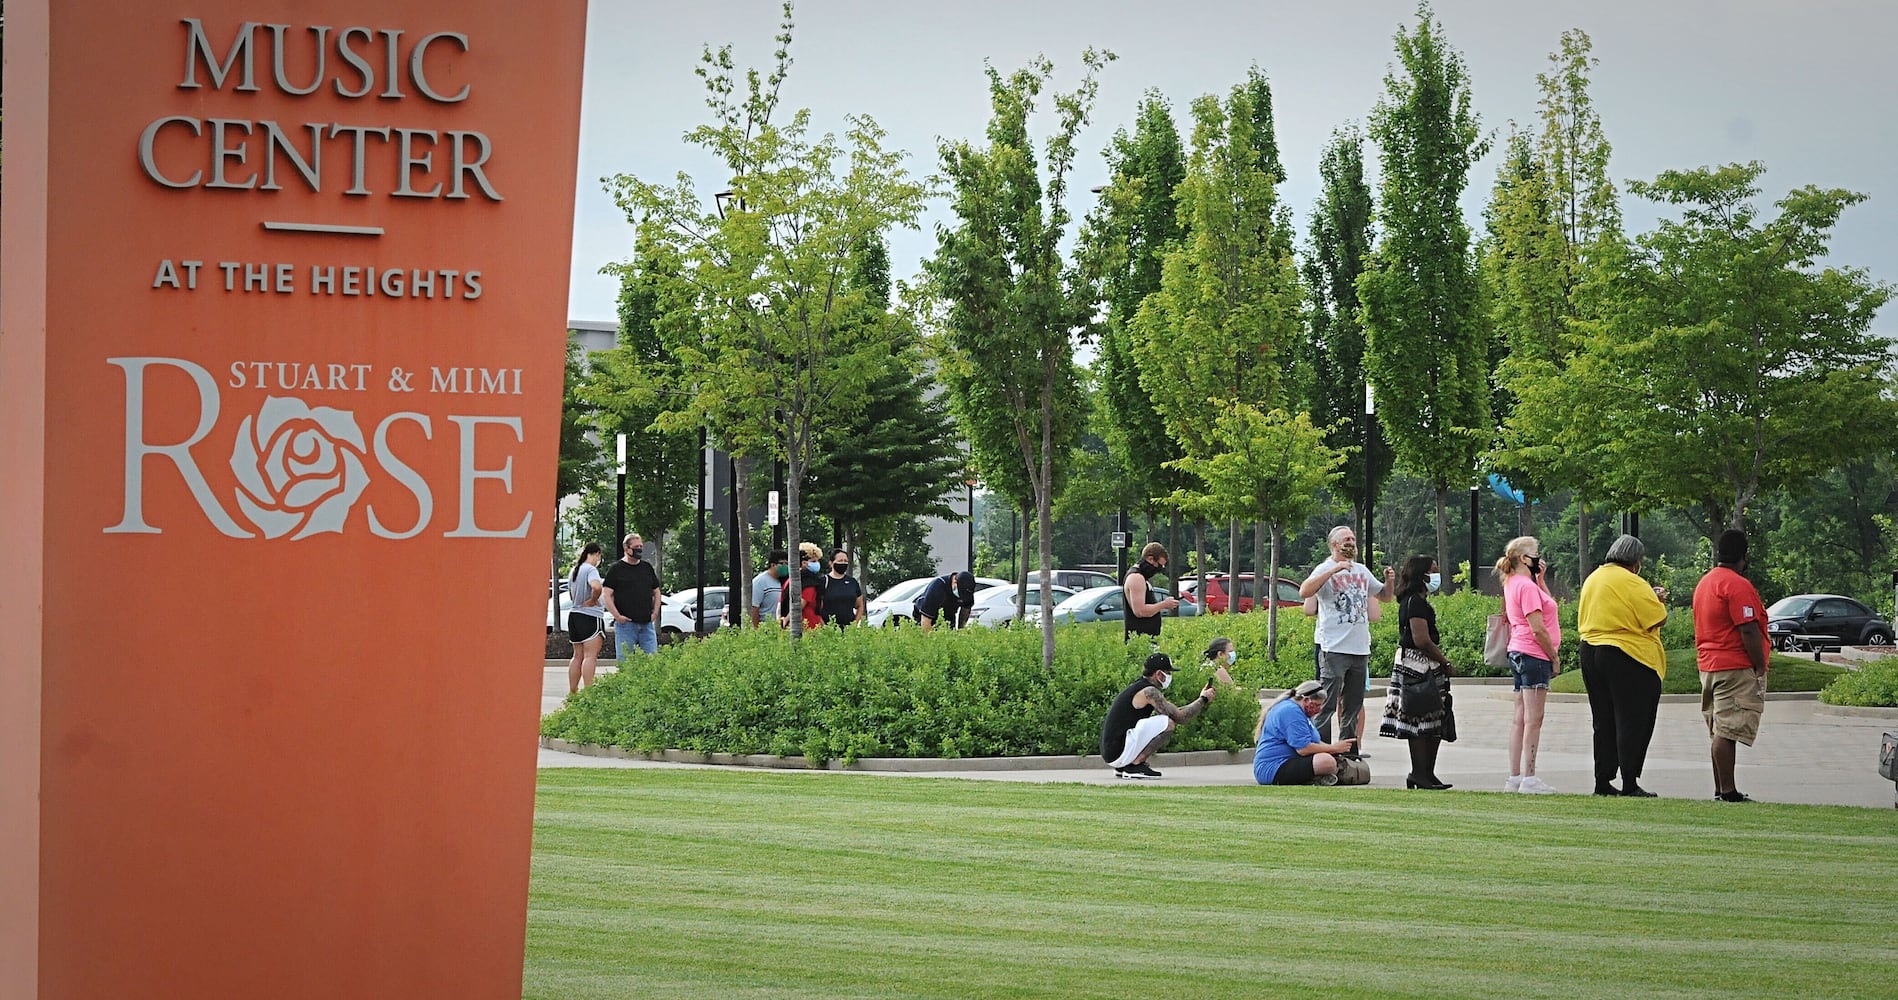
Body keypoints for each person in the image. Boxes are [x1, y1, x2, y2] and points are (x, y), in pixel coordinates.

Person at [1577, 533, 1669, 797]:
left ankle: (1602, 781)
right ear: (1635, 561)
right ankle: (1630, 781)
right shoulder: (1633, 582)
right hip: (1626, 654)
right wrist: (1658, 600)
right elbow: (1657, 618)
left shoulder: (1593, 578)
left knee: (1603, 719)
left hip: (1590, 650)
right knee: (1632, 718)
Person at [1298, 525, 1396, 749]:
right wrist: (1333, 570)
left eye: (1353, 539)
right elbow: (1304, 591)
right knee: (1326, 703)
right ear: (1334, 545)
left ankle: (1348, 751)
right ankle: (1321, 750)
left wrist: (1389, 581)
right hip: (1333, 647)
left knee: (1352, 705)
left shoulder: (1361, 570)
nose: (1352, 542)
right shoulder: (1325, 568)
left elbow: (1385, 597)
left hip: (1360, 648)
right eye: (1346, 539)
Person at [1692, 529, 1770, 803]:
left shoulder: (1705, 583)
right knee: (1728, 729)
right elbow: (1747, 628)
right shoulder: (1737, 585)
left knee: (1719, 728)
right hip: (1734, 665)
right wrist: (1759, 666)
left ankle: (1722, 787)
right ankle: (1727, 791)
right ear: (1743, 556)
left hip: (1708, 665)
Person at [1380, 555, 1455, 790]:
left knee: (1431, 720)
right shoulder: (1415, 603)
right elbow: (1421, 639)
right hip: (1418, 665)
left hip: (1421, 664)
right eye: (1433, 570)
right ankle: (1420, 773)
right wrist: (1444, 661)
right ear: (1423, 574)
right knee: (1421, 719)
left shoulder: (1414, 601)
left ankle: (1426, 773)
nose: (1436, 575)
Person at [1499, 536, 1562, 794]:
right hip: (1534, 655)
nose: (1539, 558)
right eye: (1536, 553)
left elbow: (1548, 607)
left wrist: (1541, 581)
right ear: (1525, 558)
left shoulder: (1517, 583)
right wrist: (1554, 657)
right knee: (1534, 718)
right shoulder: (1525, 586)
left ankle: (1515, 776)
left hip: (1518, 651)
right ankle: (1530, 777)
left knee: (1520, 717)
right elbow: (1538, 627)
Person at [1100, 652, 1216, 779]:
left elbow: (1175, 712)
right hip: (1118, 750)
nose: (1170, 676)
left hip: (1112, 752)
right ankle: (1135, 765)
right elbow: (1181, 717)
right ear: (1159, 674)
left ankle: (1125, 766)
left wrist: (1200, 699)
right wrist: (1203, 699)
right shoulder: (1149, 692)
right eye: (1169, 673)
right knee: (1167, 723)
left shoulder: (1138, 687)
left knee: (1164, 720)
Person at [1253, 680, 1358, 786]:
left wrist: (1335, 749)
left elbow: (1315, 743)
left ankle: (1317, 777)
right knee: (1327, 762)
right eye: (1317, 705)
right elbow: (1303, 749)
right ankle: (1317, 778)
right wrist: (1334, 748)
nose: (1319, 710)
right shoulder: (1290, 711)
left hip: (1288, 762)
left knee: (1329, 760)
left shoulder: (1301, 712)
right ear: (1306, 700)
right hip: (1273, 768)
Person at [602, 532, 662, 656]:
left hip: (647, 625)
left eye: (641, 546)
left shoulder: (646, 567)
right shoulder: (616, 569)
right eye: (636, 547)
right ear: (626, 548)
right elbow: (607, 594)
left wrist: (655, 612)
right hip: (626, 626)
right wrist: (617, 616)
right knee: (625, 662)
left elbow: (656, 591)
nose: (639, 549)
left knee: (652, 662)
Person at [565, 542, 607, 693]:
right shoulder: (591, 569)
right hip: (590, 616)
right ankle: (589, 692)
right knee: (590, 656)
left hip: (574, 615)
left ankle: (573, 691)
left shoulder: (574, 570)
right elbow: (596, 587)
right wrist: (593, 600)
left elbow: (571, 594)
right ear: (596, 554)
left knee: (577, 656)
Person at [1122, 542, 1179, 641]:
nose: (1157, 570)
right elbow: (1140, 611)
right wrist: (1164, 604)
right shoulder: (1136, 577)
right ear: (1150, 559)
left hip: (1148, 638)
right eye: (1158, 565)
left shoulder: (1142, 578)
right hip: (1140, 640)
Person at [780, 542, 825, 632]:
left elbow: (779, 603)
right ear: (804, 563)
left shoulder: (789, 581)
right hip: (808, 627)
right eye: (813, 561)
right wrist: (787, 619)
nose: (817, 564)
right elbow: (800, 605)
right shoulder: (810, 583)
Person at [821, 548, 866, 628]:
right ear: (831, 563)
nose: (843, 563)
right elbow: (816, 608)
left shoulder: (852, 582)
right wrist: (824, 627)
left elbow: (860, 605)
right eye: (840, 560)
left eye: (845, 561)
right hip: (829, 629)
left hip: (848, 630)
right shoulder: (823, 582)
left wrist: (854, 624)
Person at [750, 549, 788, 626]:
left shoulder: (786, 581)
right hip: (766, 628)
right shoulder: (760, 582)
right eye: (781, 563)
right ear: (772, 565)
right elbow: (754, 608)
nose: (785, 566)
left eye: (786, 564)